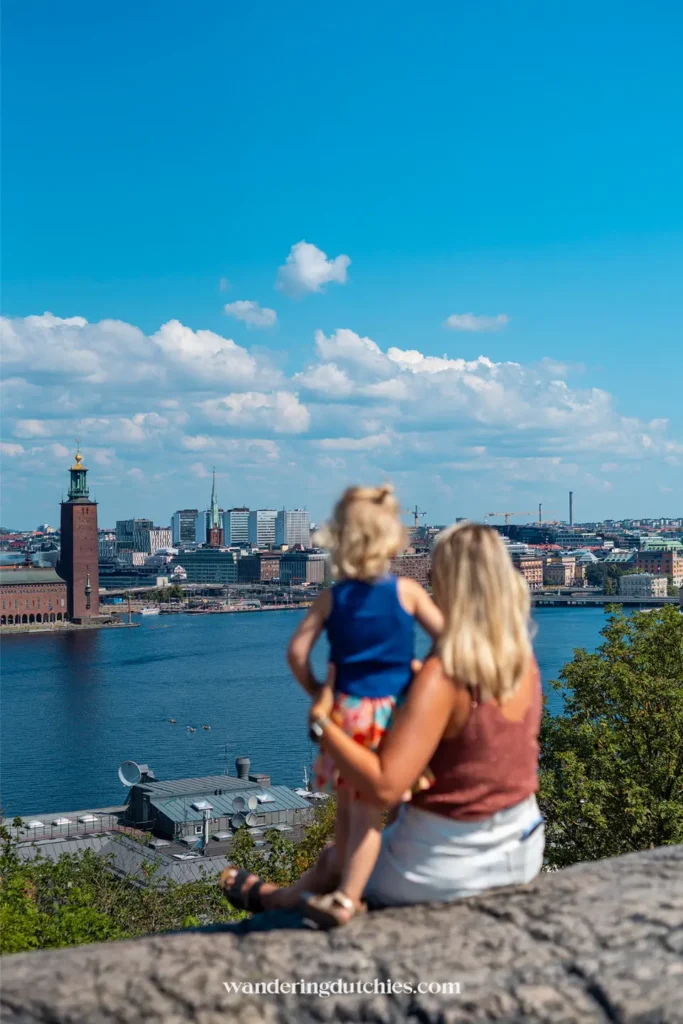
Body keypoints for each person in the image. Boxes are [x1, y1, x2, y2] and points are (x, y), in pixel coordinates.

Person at [219, 521, 544, 926]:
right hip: (523, 847)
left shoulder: (443, 675)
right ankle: (278, 898)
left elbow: (385, 785)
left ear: (447, 584)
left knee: (339, 856)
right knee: (337, 856)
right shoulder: (521, 659)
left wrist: (323, 725)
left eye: (433, 575)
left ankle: (277, 901)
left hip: (448, 866)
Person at [220, 484, 442, 927]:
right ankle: (353, 897)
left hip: (347, 718)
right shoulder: (408, 593)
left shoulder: (333, 597)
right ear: (392, 538)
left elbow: (296, 654)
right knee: (395, 809)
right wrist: (419, 679)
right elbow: (451, 641)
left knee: (350, 812)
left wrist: (320, 689)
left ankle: (347, 889)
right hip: (396, 717)